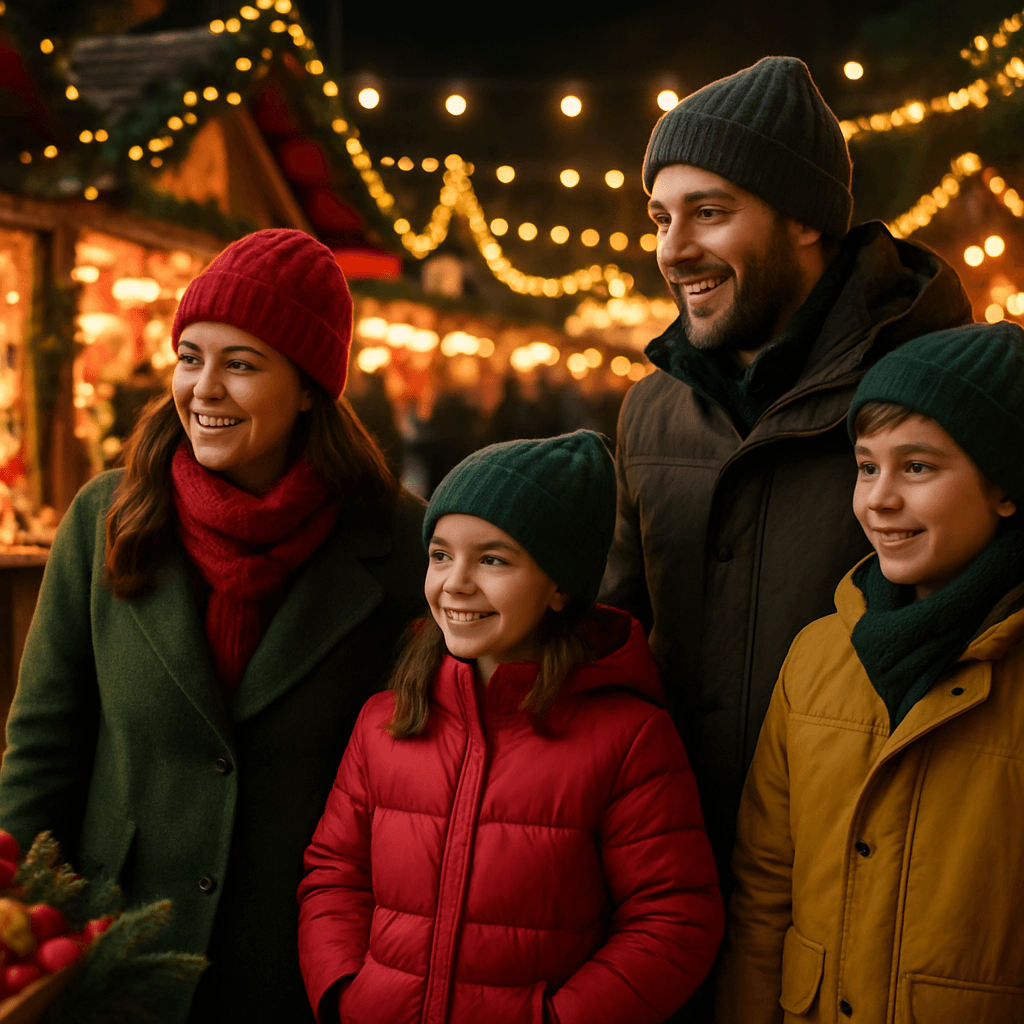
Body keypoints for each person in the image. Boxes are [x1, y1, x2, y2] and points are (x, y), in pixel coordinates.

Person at [0, 229, 427, 1024]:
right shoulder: (105, 518)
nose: (204, 388)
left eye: (241, 363)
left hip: (298, 965)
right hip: (109, 953)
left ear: (308, 387)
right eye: (190, 356)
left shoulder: (398, 543)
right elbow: (42, 747)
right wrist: (19, 940)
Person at [599, 55, 972, 880]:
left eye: (709, 212)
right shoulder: (650, 409)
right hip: (668, 869)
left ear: (804, 218)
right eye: (661, 217)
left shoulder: (934, 391)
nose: (674, 249)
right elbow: (610, 633)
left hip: (871, 866)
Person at [297, 431, 724, 1024]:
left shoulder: (628, 738)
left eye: (492, 559)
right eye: (441, 554)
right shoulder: (386, 720)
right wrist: (346, 992)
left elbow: (675, 917)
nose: (456, 583)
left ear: (560, 587)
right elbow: (334, 874)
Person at [716, 322, 1024, 1024]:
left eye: (917, 467)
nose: (879, 498)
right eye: (866, 466)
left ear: (1005, 487)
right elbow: (764, 888)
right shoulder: (819, 655)